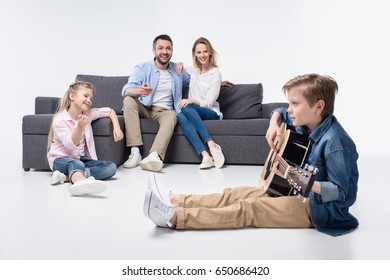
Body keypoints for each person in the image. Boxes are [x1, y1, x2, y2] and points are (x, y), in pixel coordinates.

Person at [143, 73, 359, 236]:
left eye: (295, 103)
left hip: (319, 210)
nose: (289, 109)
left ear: (318, 106)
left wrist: (295, 177)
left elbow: (339, 192)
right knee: (235, 194)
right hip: (296, 190)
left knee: (249, 209)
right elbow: (280, 112)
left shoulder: (336, 143)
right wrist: (274, 124)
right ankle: (176, 200)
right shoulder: (308, 122)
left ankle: (174, 217)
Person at [121, 34, 191, 172]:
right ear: (154, 51)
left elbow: (195, 81)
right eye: (160, 48)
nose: (164, 52)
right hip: (145, 108)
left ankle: (154, 156)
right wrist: (139, 91)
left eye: (168, 48)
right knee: (128, 100)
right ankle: (135, 153)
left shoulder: (178, 70)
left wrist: (217, 83)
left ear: (172, 51)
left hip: (165, 111)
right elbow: (126, 90)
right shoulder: (142, 68)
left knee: (173, 116)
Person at [47, 81, 123, 196]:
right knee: (77, 163)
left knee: (111, 167)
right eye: (86, 96)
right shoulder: (60, 119)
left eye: (91, 98)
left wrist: (117, 128)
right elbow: (71, 144)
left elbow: (109, 111)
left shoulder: (87, 114)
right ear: (72, 96)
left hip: (80, 159)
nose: (89, 100)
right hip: (60, 159)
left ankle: (66, 177)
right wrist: (80, 126)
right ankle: (80, 182)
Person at [176, 37, 227, 169]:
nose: (202, 55)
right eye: (199, 52)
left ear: (210, 52)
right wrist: (180, 63)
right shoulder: (194, 71)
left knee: (186, 107)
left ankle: (211, 144)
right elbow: (180, 69)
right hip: (192, 110)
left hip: (211, 112)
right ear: (194, 54)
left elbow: (209, 102)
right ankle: (205, 155)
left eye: (205, 51)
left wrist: (192, 100)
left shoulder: (216, 74)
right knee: (180, 115)